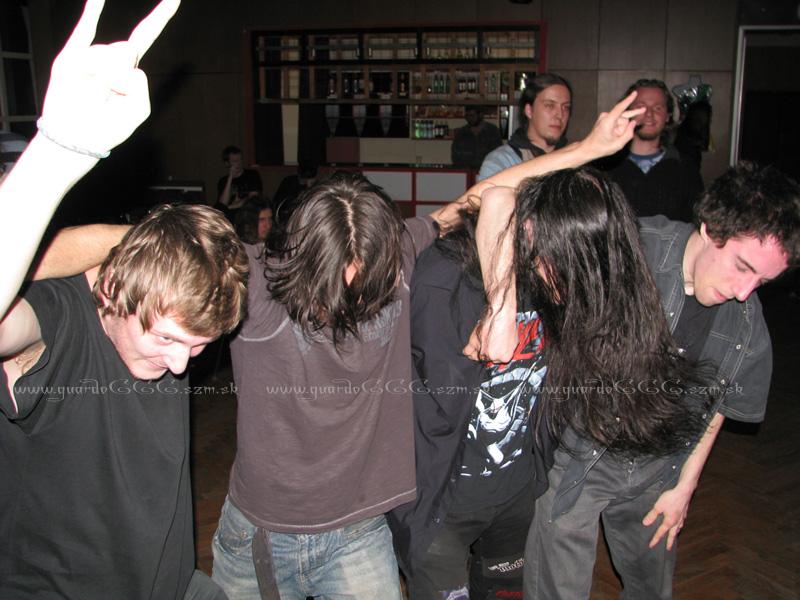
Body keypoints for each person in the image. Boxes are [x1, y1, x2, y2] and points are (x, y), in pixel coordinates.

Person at [210, 94, 647, 599]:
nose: (357, 302)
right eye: (337, 285)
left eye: (368, 285)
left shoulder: (394, 255)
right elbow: (154, 256)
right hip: (261, 531)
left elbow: (482, 198)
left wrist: (588, 148)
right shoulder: (255, 287)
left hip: (360, 529)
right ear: (297, 261)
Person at [0, 2, 250, 598]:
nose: (182, 363)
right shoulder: (59, 319)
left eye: (199, 346)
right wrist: (58, 152)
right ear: (113, 289)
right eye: (166, 338)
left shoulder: (172, 310)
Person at [475, 162, 799, 599]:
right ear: (711, 228)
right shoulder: (629, 246)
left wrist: (684, 487)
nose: (745, 291)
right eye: (743, 267)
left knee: (652, 591)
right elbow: (501, 203)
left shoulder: (746, 321)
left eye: (763, 280)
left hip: (659, 469)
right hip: (583, 454)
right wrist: (500, 310)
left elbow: (718, 404)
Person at [598, 78, 704, 222]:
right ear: (627, 112)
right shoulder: (604, 167)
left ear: (668, 116)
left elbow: (696, 223)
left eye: (658, 108)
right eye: (641, 107)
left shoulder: (686, 169)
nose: (649, 114)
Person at [478, 73, 571, 181]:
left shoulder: (573, 162)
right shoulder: (501, 162)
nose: (560, 115)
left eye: (566, 107)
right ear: (529, 111)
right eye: (550, 105)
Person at [216, 145, 263, 216]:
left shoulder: (252, 175)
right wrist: (230, 178)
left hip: (247, 212)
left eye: (240, 160)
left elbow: (254, 198)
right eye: (235, 161)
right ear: (227, 163)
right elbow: (222, 204)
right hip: (229, 213)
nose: (239, 163)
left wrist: (234, 205)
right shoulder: (223, 181)